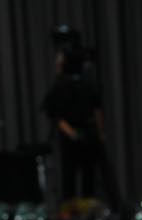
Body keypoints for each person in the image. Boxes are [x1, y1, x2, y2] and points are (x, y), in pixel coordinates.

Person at [43, 48, 111, 202]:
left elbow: (96, 110)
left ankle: (86, 210)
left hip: (80, 134)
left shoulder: (76, 85)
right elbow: (56, 115)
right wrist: (94, 133)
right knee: (74, 176)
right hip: (76, 135)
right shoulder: (65, 86)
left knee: (83, 176)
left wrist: (95, 133)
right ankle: (76, 209)